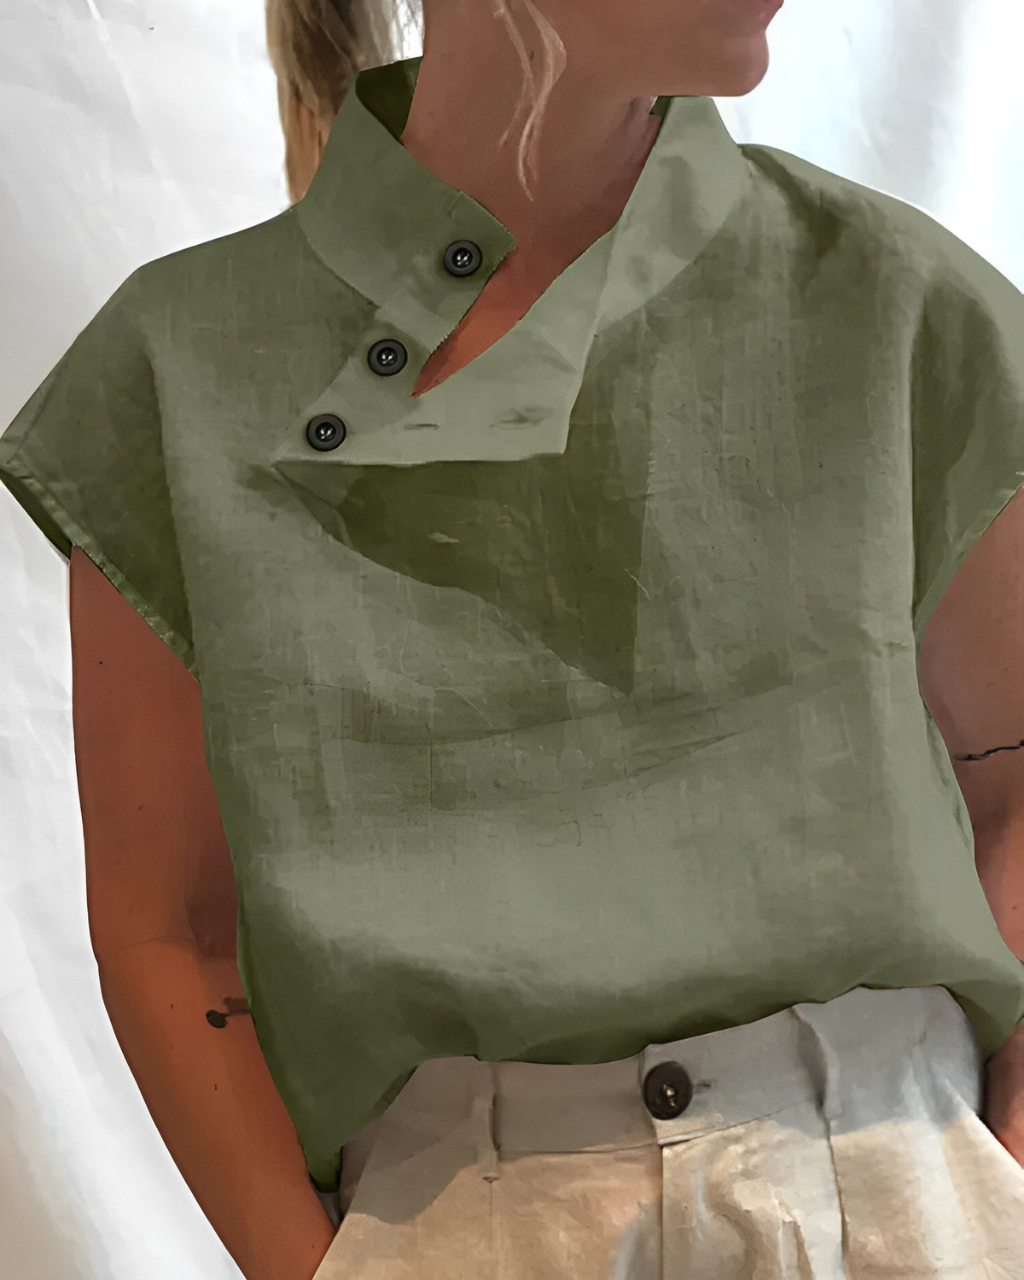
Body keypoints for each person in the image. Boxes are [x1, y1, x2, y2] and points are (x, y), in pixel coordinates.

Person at [2, 0, 1024, 1277]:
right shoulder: (174, 373)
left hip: (911, 1198)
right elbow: (170, 931)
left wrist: (997, 1173)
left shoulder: (892, 304)